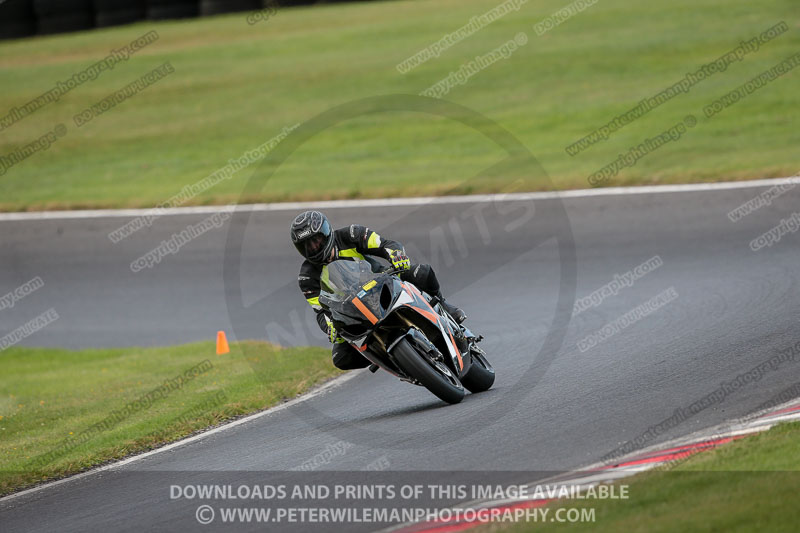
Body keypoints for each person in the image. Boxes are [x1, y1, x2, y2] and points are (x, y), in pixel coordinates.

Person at [291, 210, 466, 370]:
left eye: (316, 240)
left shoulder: (351, 234)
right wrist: (330, 328)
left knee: (421, 272)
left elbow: (386, 244)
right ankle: (391, 360)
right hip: (353, 312)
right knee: (341, 358)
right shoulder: (306, 278)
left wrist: (396, 255)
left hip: (383, 284)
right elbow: (321, 311)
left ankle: (444, 306)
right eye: (307, 245)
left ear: (327, 233)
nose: (313, 247)